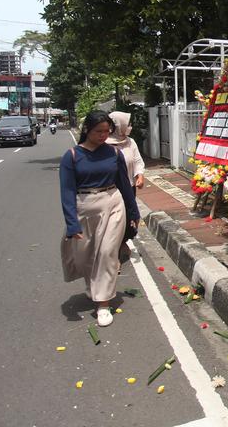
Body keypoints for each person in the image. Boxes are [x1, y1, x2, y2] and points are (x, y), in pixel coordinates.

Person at [59, 110, 140, 327]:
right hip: (84, 206)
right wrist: (71, 223)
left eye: (107, 131)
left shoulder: (114, 154)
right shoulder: (72, 156)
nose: (103, 135)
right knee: (84, 256)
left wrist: (134, 212)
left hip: (113, 203)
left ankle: (103, 303)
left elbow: (124, 184)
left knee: (106, 253)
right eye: (99, 131)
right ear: (87, 130)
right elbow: (66, 192)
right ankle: (92, 286)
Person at [106, 111, 145, 190]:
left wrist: (140, 177)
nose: (130, 127)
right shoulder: (103, 144)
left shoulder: (130, 142)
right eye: (127, 125)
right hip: (110, 190)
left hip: (129, 187)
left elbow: (138, 162)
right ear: (119, 126)